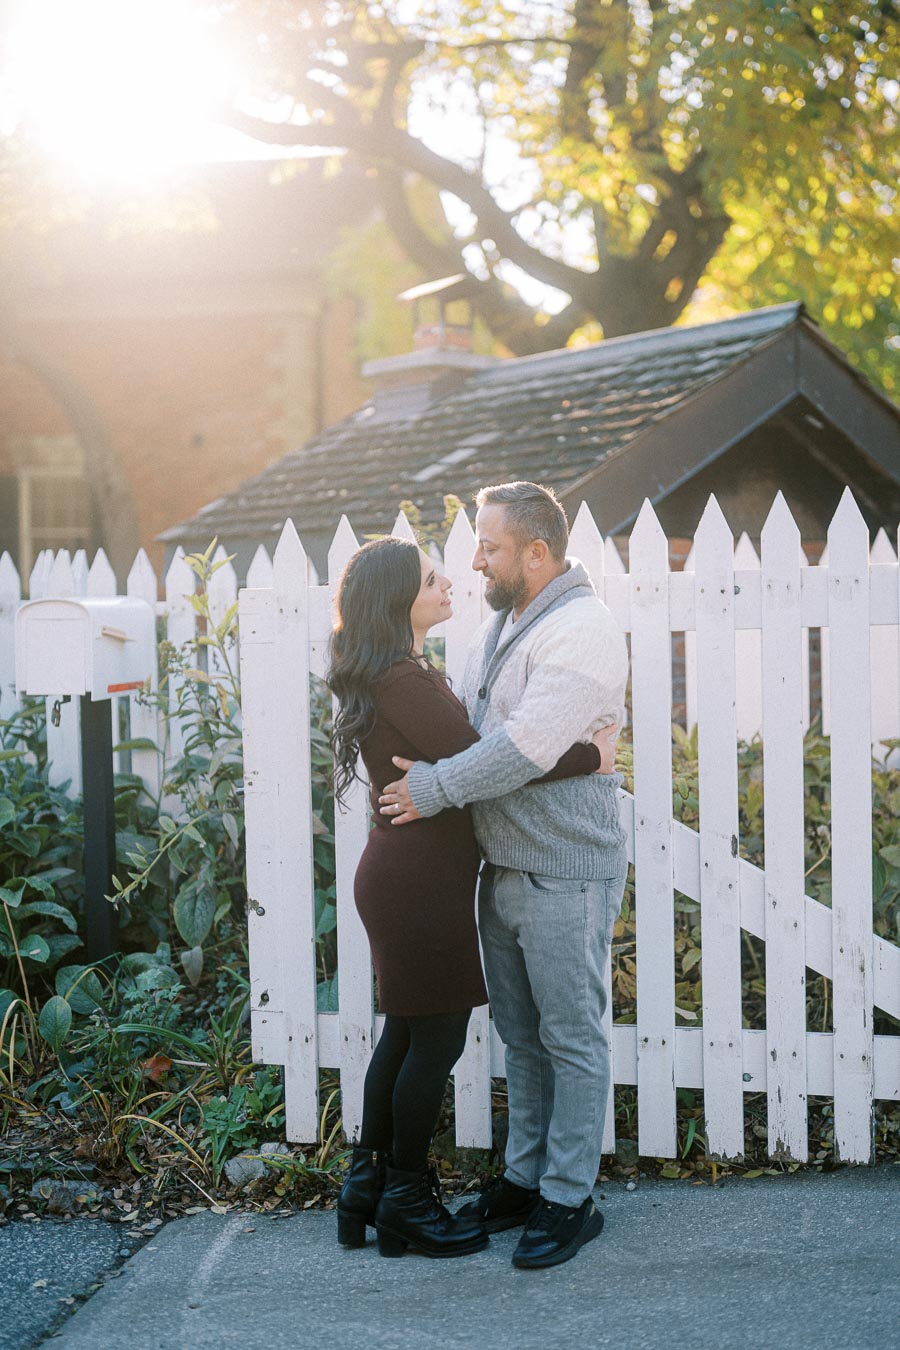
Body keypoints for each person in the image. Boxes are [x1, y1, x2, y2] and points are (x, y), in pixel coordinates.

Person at [327, 535, 615, 1260]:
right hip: (418, 883)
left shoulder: (398, 671)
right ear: (401, 600)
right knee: (435, 1043)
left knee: (403, 1037)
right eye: (431, 578)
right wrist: (591, 755)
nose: (451, 580)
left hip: (404, 874)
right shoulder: (404, 678)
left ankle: (367, 1188)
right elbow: (492, 760)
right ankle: (407, 1200)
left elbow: (470, 754)